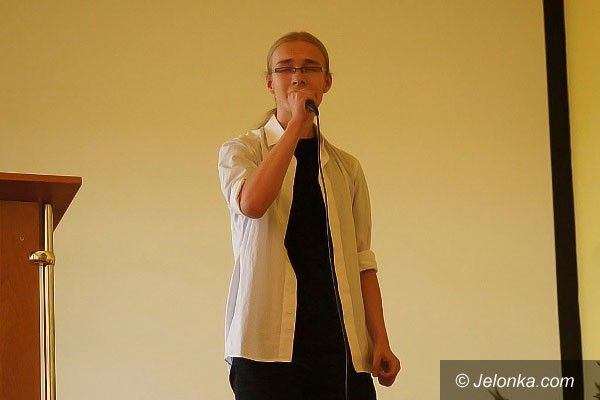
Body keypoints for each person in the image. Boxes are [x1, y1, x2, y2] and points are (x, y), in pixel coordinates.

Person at [218, 31, 401, 400]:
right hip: (265, 347)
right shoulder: (242, 150)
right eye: (286, 69)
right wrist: (295, 128)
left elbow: (363, 260)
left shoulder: (346, 168)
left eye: (309, 68)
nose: (298, 77)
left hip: (341, 346)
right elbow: (252, 204)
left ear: (326, 82)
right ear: (270, 83)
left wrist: (380, 340)